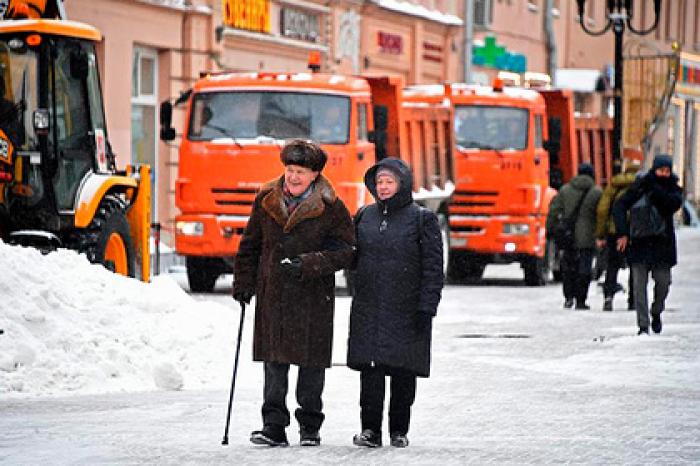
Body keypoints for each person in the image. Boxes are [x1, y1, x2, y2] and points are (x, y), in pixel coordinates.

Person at [232, 139, 355, 447]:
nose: (293, 177)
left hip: (313, 296)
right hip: (273, 292)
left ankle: (309, 425)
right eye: (290, 170)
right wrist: (243, 282)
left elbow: (345, 251)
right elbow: (250, 244)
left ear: (315, 175)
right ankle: (273, 425)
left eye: (301, 171)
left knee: (310, 364)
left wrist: (309, 263)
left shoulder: (332, 207)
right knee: (274, 362)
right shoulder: (266, 200)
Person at [347, 157, 444, 448]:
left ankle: (399, 431)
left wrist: (428, 306)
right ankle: (370, 431)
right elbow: (351, 257)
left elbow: (433, 268)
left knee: (403, 371)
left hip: (407, 310)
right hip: (369, 308)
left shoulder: (421, 219)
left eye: (389, 182)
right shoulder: (364, 216)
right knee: (371, 371)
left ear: (402, 184)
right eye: (379, 182)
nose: (384, 187)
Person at [612, 154, 683, 335]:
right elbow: (620, 205)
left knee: (663, 283)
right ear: (654, 169)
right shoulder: (640, 186)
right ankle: (643, 325)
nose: (664, 174)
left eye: (667, 171)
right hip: (639, 243)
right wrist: (622, 233)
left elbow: (670, 205)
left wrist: (654, 189)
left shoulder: (673, 189)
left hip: (662, 245)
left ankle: (656, 311)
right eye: (660, 170)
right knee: (639, 286)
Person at [546, 163, 602, 310]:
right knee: (584, 269)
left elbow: (554, 211)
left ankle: (568, 297)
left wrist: (550, 229)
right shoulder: (596, 192)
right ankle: (581, 300)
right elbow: (601, 214)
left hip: (568, 236)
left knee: (568, 268)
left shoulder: (565, 190)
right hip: (588, 237)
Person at [595, 158, 642, 311]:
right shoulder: (642, 186)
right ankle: (633, 300)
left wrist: (601, 233)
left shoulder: (615, 185)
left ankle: (608, 297)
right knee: (635, 266)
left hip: (615, 231)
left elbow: (603, 210)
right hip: (636, 231)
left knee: (612, 265)